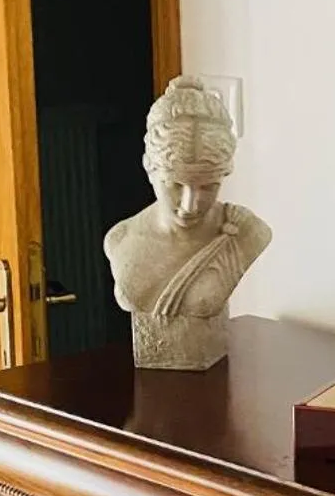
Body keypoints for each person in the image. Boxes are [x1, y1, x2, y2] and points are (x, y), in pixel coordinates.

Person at [104, 76, 271, 369]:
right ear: (149, 167)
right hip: (149, 387)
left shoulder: (244, 233)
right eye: (176, 185)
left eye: (208, 187)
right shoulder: (120, 239)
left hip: (213, 379)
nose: (190, 205)